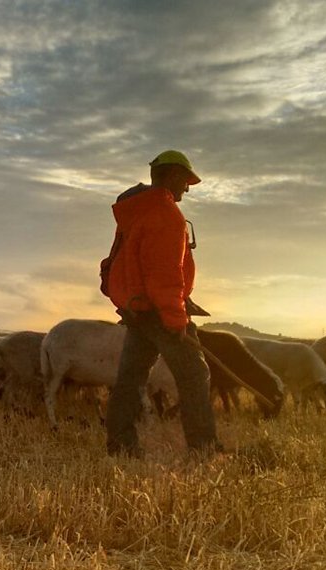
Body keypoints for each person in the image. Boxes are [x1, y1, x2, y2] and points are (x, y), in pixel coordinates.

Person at [100, 150, 218, 456]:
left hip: (137, 309)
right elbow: (163, 275)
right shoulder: (165, 214)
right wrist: (176, 319)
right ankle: (203, 447)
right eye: (185, 181)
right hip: (159, 311)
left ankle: (121, 445)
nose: (187, 188)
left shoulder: (135, 211)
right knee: (194, 375)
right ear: (172, 176)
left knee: (130, 379)